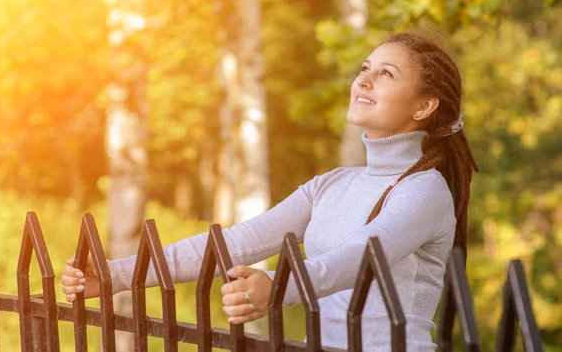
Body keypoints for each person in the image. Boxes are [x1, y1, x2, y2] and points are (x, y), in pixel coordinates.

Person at [60, 32, 478, 351]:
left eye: (386, 74)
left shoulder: (425, 190)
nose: (364, 80)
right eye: (365, 68)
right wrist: (116, 275)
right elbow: (235, 244)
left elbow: (361, 258)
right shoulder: (331, 185)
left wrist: (277, 287)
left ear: (423, 107)